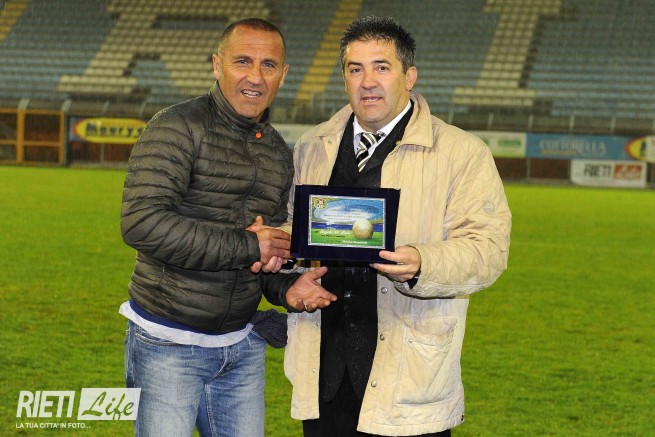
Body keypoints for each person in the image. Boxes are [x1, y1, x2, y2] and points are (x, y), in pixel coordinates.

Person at [283, 16, 512, 436]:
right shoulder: (312, 146)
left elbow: (488, 249)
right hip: (324, 374)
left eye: (382, 67)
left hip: (410, 380)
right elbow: (293, 233)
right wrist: (284, 265)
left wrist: (423, 263)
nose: (368, 82)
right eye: (355, 69)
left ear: (409, 76)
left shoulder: (461, 152)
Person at [119, 18, 336, 437]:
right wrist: (250, 247)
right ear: (218, 65)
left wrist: (286, 289)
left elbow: (263, 253)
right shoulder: (177, 126)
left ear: (283, 74)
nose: (255, 77)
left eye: (269, 65)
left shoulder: (278, 152)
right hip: (168, 343)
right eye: (242, 61)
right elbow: (141, 222)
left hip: (242, 347)